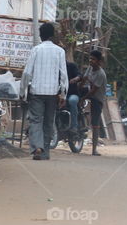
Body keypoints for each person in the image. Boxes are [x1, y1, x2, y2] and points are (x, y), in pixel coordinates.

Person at [21, 22, 69, 160]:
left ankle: (37, 147)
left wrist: (23, 92)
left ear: (41, 35)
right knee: (49, 121)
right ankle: (45, 151)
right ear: (52, 35)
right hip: (53, 93)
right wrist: (63, 94)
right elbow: (64, 75)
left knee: (36, 120)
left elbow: (27, 73)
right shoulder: (60, 51)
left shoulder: (36, 50)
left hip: (37, 92)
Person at [83, 50, 108, 156]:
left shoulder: (101, 74)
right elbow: (84, 78)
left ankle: (94, 149)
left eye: (93, 59)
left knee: (95, 123)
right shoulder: (90, 68)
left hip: (97, 98)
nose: (90, 61)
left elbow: (94, 91)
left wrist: (82, 98)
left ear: (98, 61)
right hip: (88, 93)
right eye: (90, 58)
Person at [66, 60, 88, 132]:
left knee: (72, 101)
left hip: (72, 94)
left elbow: (79, 75)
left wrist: (76, 78)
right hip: (58, 94)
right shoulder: (55, 67)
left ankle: (74, 126)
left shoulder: (71, 65)